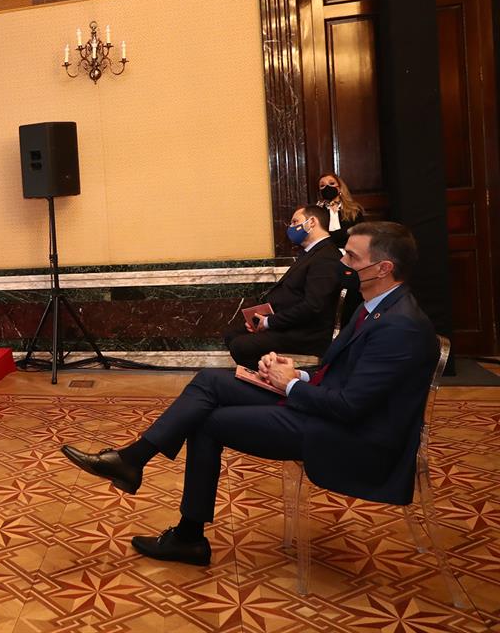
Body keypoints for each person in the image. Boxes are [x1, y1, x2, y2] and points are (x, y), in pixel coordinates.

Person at [60, 221, 436, 566]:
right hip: (324, 409)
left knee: (208, 422)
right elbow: (339, 377)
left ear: (383, 268)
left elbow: (352, 407)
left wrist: (288, 384)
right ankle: (131, 459)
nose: (343, 263)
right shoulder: (374, 309)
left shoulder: (400, 326)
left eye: (351, 257)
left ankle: (187, 534)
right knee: (210, 381)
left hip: (349, 437)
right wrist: (289, 373)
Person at [223, 205, 343, 368]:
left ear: (312, 222)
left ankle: (272, 383)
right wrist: (259, 318)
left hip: (306, 334)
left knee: (241, 345)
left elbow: (313, 306)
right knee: (232, 335)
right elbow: (292, 293)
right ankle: (266, 378)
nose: (291, 227)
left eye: (295, 222)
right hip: (289, 324)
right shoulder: (310, 252)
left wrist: (268, 323)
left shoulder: (326, 256)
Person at [317, 172, 364, 249]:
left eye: (331, 183)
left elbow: (359, 232)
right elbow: (318, 236)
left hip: (350, 250)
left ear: (339, 188)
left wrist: (331, 236)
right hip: (326, 251)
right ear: (320, 192)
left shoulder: (353, 209)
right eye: (322, 186)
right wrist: (344, 233)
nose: (327, 187)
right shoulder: (318, 211)